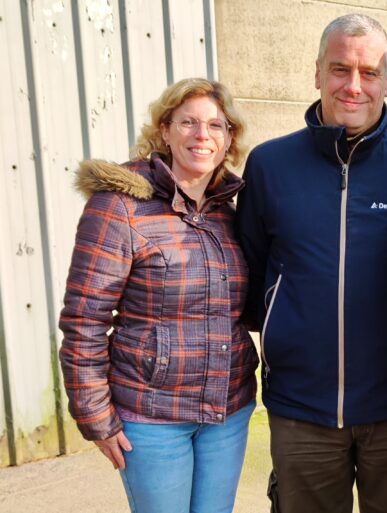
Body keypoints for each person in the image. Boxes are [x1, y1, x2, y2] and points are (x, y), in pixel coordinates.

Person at [236, 13, 387, 513]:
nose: (353, 85)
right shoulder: (269, 165)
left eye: (369, 72)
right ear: (316, 74)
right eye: (339, 69)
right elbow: (251, 279)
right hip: (300, 408)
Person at [59, 78, 258, 513]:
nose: (201, 135)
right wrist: (94, 415)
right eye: (188, 122)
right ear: (164, 131)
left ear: (229, 140)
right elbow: (84, 319)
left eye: (215, 126)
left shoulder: (230, 212)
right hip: (152, 417)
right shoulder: (120, 206)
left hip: (228, 409)